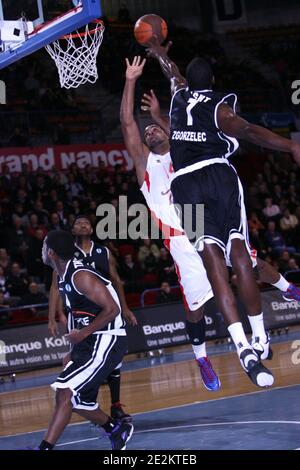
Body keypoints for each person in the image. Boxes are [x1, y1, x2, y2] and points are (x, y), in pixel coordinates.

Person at [146, 42, 300, 383]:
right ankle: (259, 337)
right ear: (213, 81)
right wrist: (289, 144)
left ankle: (241, 346)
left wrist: (157, 50)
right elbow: (246, 130)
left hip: (184, 185)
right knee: (241, 257)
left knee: (215, 264)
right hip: (216, 175)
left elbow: (172, 73)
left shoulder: (178, 96)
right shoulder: (218, 106)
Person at [38, 230, 133, 450]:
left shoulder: (81, 275)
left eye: (44, 246)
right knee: (78, 401)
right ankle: (116, 430)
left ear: (51, 253)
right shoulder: (62, 276)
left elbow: (112, 309)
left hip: (107, 338)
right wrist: (74, 347)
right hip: (89, 340)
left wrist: (82, 334)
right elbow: (77, 315)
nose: (42, 249)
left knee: (65, 392)